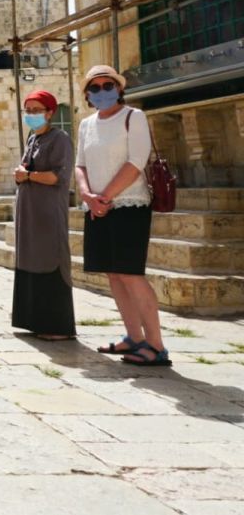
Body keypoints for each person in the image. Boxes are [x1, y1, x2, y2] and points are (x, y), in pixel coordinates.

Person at [75, 65, 170, 366]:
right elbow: (80, 165)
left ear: (119, 89)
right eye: (95, 87)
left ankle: (156, 345)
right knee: (114, 274)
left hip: (129, 205)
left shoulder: (133, 117)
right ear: (87, 95)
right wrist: (87, 194)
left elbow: (136, 161)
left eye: (108, 85)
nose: (102, 91)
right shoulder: (86, 125)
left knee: (131, 273)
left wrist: (104, 196)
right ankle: (133, 337)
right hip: (97, 207)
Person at [11, 90, 76, 341]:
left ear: (50, 113)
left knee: (50, 259)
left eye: (36, 110)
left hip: (48, 214)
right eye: (28, 110)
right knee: (31, 260)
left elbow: (58, 176)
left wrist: (27, 175)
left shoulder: (59, 139)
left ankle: (57, 326)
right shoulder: (33, 139)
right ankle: (34, 320)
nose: (31, 115)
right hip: (30, 215)